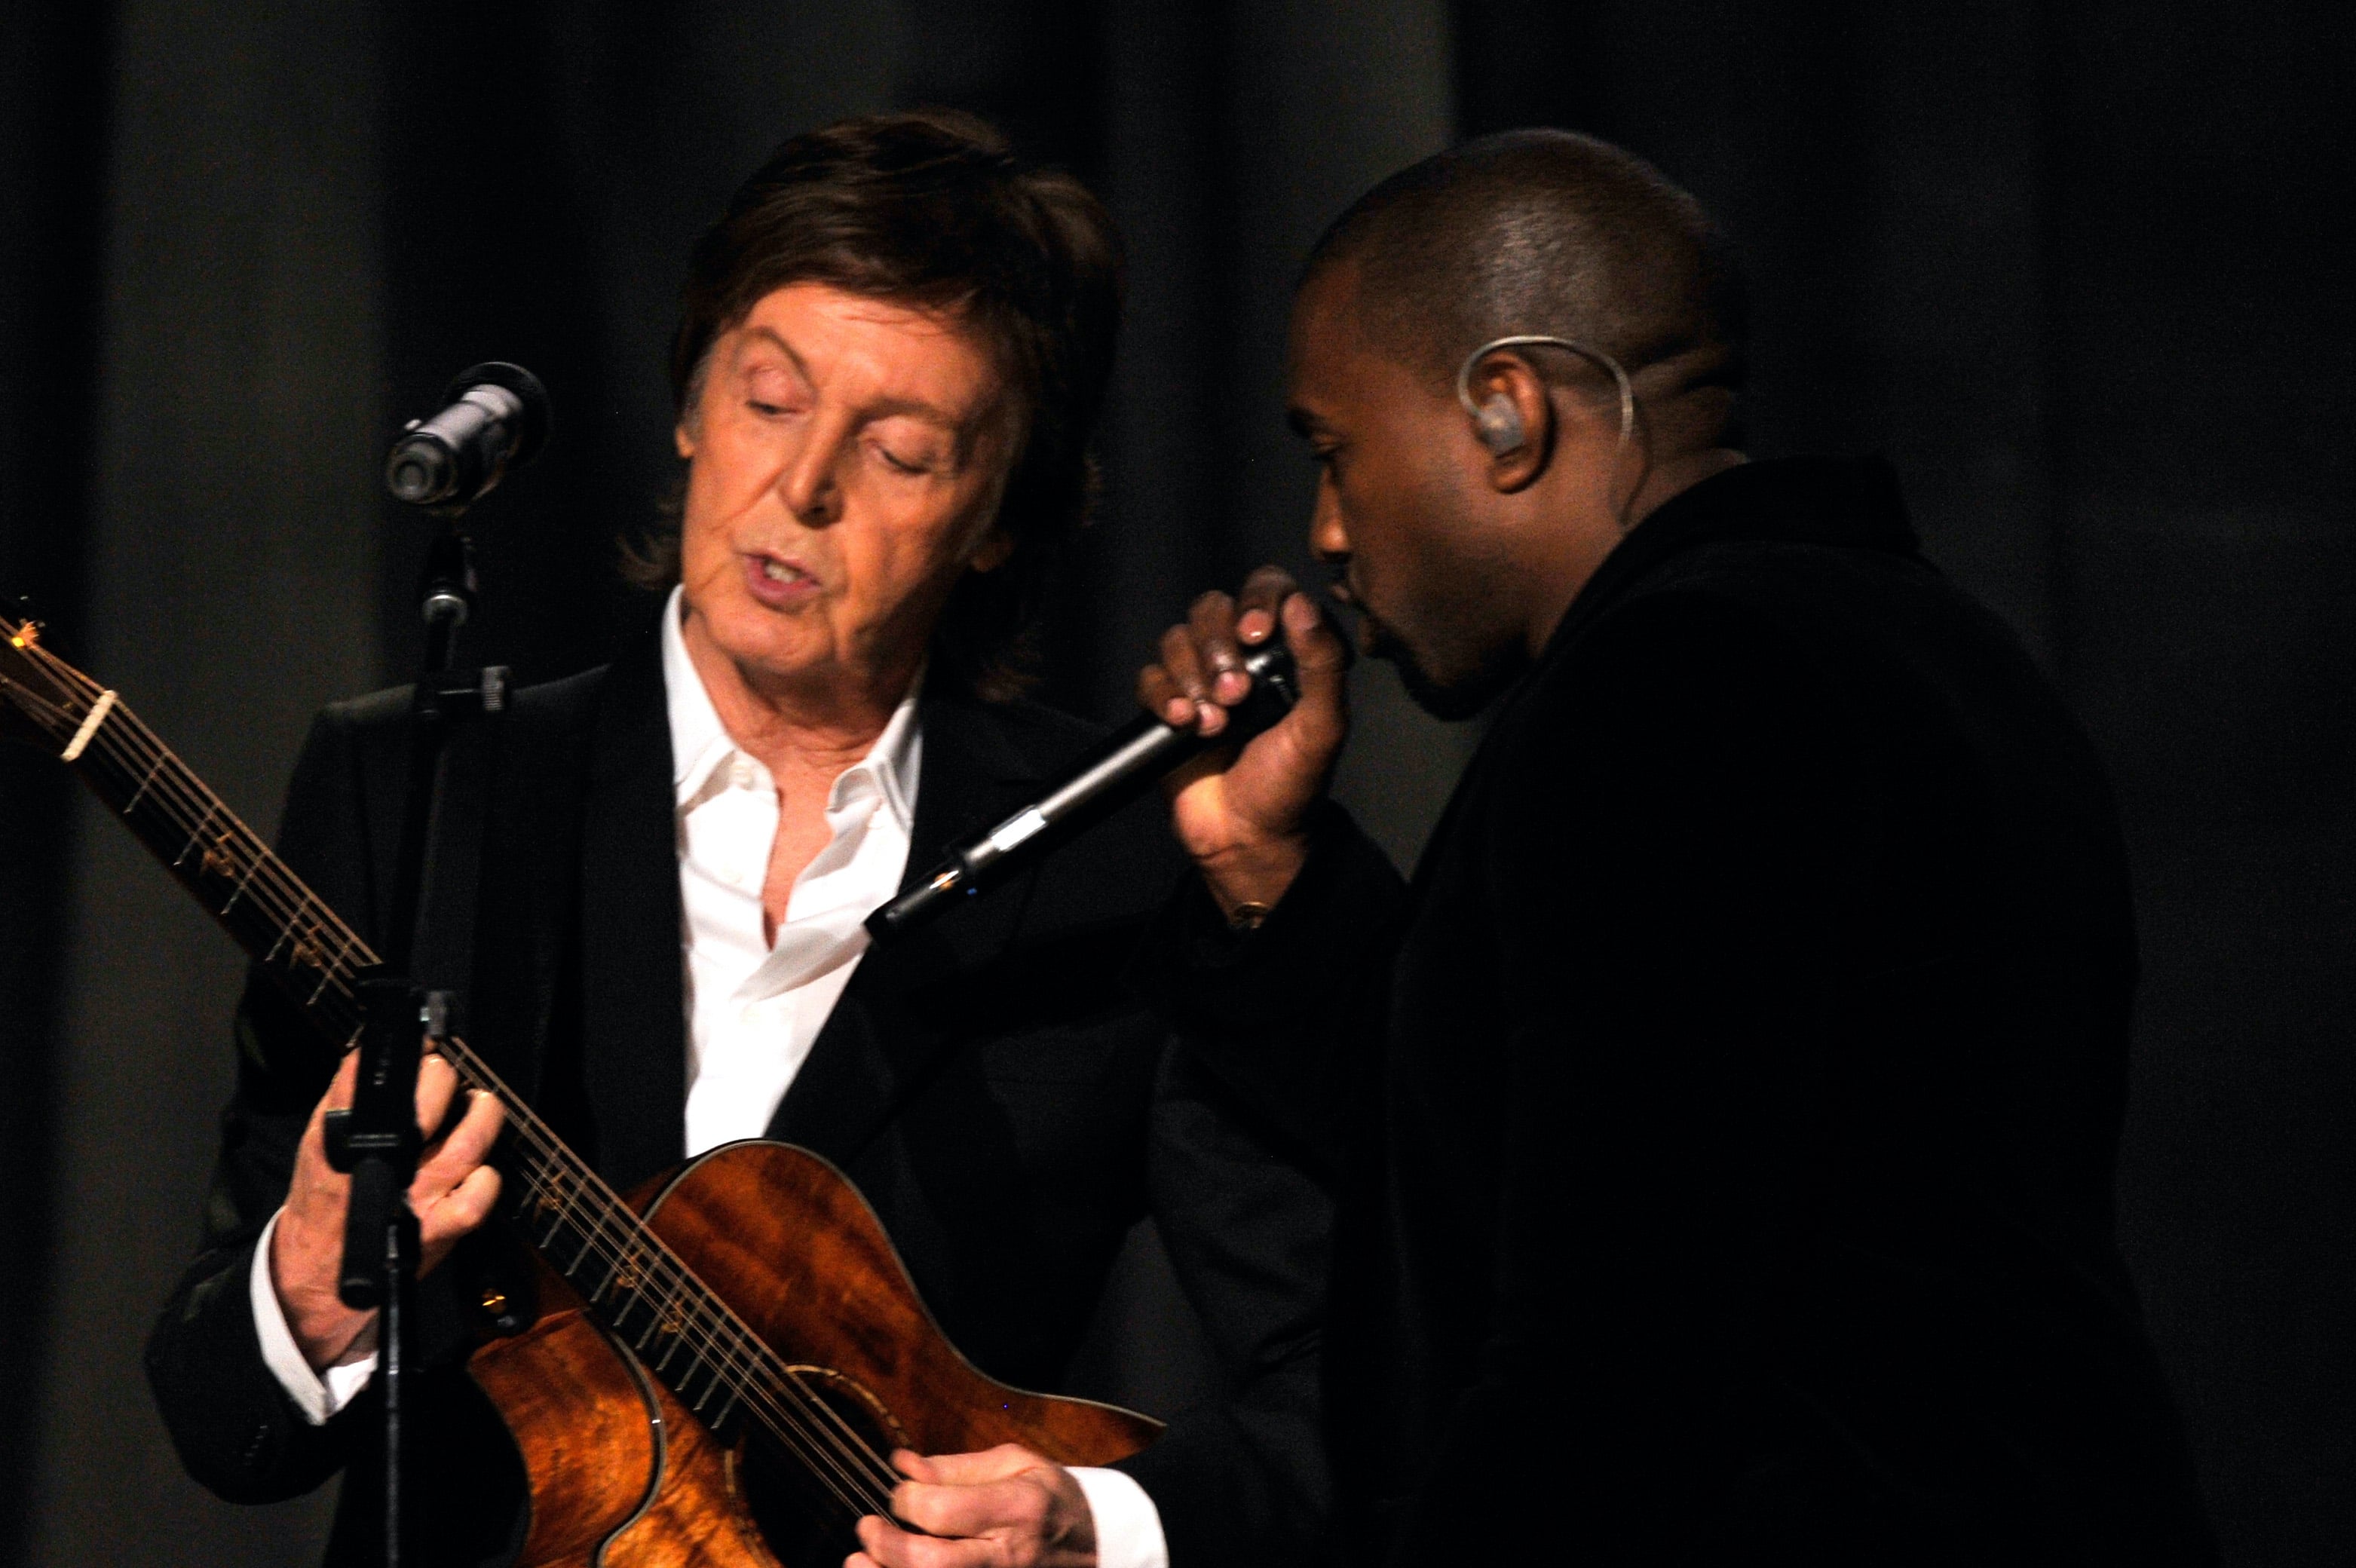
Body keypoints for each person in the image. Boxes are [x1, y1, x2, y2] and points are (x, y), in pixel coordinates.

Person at [145, 110, 1327, 1568]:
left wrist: (1099, 1523)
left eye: (900, 452)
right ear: (694, 403)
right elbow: (221, 1422)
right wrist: (307, 1296)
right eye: (771, 400)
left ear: (999, 519)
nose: (804, 489)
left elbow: (1345, 1384)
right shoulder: (425, 786)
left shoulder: (1120, 860)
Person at [1133, 130, 2216, 1564]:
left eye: (1335, 452)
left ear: (1506, 412)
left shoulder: (1681, 681)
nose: (1326, 531)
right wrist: (1263, 858)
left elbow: (1614, 1354)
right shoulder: (1926, 644)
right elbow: (1526, 1159)